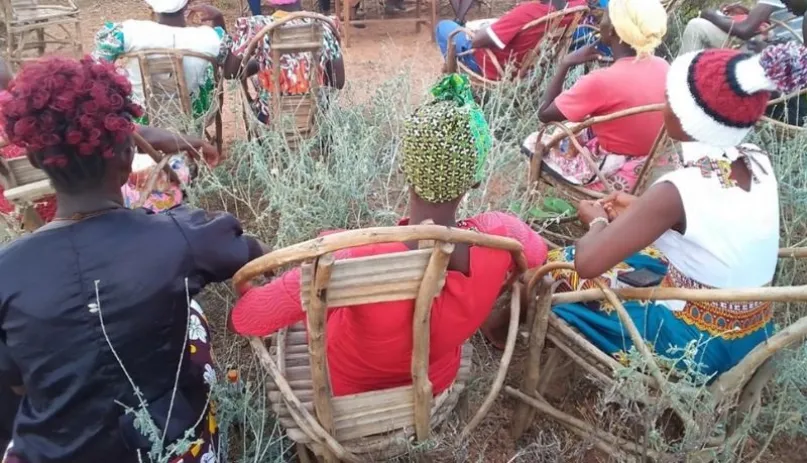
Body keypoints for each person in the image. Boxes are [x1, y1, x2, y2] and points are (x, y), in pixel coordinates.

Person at [0, 56, 265, 463]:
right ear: (127, 158)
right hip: (168, 447)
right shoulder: (180, 237)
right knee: (189, 310)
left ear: (35, 161)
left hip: (48, 450)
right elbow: (253, 256)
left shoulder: (7, 271)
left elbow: (13, 383)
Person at [229, 75, 548, 396]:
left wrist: (248, 286)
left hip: (347, 386)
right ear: (476, 180)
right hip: (434, 380)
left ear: (405, 168)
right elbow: (537, 257)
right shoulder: (503, 235)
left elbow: (247, 319)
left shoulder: (349, 255)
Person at [541, 42, 807, 379]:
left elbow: (587, 261)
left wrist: (595, 222)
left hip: (694, 346)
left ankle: (508, 329)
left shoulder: (678, 188)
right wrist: (641, 209)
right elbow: (712, 218)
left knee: (558, 265)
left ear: (685, 116)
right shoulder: (756, 158)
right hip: (751, 333)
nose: (662, 106)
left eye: (669, 99)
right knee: (642, 255)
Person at [525, 0, 669, 191]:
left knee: (533, 141)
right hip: (653, 164)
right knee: (580, 126)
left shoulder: (600, 81)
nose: (601, 19)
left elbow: (544, 114)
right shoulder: (663, 65)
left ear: (611, 31)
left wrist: (566, 63)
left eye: (605, 16)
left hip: (612, 175)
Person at [93, 0, 227, 122]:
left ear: (152, 5)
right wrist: (218, 18)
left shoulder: (128, 32)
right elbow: (232, 71)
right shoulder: (210, 38)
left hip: (138, 121)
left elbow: (97, 66)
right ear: (188, 4)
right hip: (192, 119)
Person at [219, 0, 345, 125]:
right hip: (317, 115)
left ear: (269, 2)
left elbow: (230, 73)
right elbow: (338, 82)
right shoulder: (324, 25)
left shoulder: (255, 26)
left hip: (271, 116)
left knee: (258, 95)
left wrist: (262, 65)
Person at [435, 0, 588, 81]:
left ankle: (455, 84)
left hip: (494, 66)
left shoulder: (527, 13)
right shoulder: (577, 5)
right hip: (531, 66)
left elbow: (477, 42)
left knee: (444, 27)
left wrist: (478, 31)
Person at [680, 0, 807, 54]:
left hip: (782, 51)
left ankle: (678, 89)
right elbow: (783, 17)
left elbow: (744, 30)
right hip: (780, 46)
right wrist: (749, 12)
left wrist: (709, 14)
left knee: (696, 27)